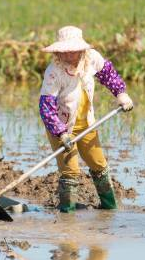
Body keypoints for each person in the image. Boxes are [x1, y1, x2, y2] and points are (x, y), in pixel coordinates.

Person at [39, 26, 133, 212]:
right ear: (59, 51)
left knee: (99, 165)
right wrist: (61, 133)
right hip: (62, 128)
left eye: (74, 51)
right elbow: (46, 106)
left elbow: (108, 74)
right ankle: (68, 214)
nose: (70, 56)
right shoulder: (54, 72)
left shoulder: (91, 59)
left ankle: (109, 208)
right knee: (71, 172)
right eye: (65, 52)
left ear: (81, 49)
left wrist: (121, 94)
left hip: (87, 125)